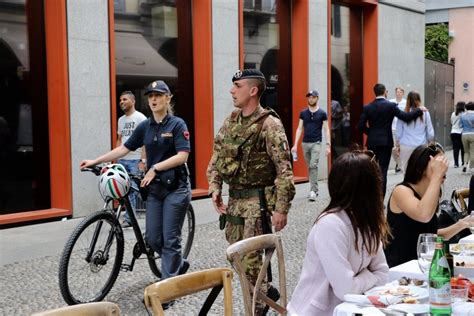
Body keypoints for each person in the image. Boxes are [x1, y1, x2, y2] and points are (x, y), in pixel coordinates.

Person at [80, 80, 191, 307]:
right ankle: (177, 263)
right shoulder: (146, 126)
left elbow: (183, 155)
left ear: (168, 99)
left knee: (170, 240)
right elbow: (124, 148)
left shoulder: (177, 124)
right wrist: (96, 160)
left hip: (176, 188)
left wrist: (155, 167)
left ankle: (166, 292)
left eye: (159, 95)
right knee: (152, 238)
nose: (153, 99)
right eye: (150, 95)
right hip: (155, 189)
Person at [207, 69, 295, 315]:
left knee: (254, 269)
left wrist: (281, 208)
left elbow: (284, 171)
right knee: (238, 262)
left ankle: (257, 307)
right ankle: (267, 294)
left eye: (237, 85)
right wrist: (215, 188)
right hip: (234, 207)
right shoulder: (231, 121)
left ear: (253, 90)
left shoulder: (270, 125)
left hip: (258, 208)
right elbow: (216, 158)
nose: (231, 90)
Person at [287, 151, 389, 315]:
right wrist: (368, 275)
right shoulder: (331, 225)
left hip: (354, 308)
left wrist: (361, 278)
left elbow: (383, 272)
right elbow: (345, 289)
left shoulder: (367, 220)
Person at [384, 144, 474, 267]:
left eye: (444, 164)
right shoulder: (401, 191)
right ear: (420, 167)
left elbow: (432, 235)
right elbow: (423, 215)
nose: (443, 168)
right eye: (437, 164)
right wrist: (436, 176)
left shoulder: (432, 191)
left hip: (424, 263)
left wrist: (463, 224)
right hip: (401, 267)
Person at [358, 83, 424, 197]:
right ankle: (380, 199)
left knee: (372, 170)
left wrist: (372, 133)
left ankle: (370, 197)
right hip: (386, 142)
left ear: (375, 92)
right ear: (385, 92)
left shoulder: (367, 107)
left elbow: (360, 126)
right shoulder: (391, 106)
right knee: (383, 171)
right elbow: (405, 117)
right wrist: (419, 111)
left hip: (372, 143)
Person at [291, 90, 330, 201]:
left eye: (313, 97)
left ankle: (313, 190)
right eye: (309, 97)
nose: (310, 99)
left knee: (313, 165)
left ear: (317, 98)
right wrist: (295, 145)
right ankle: (315, 189)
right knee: (310, 167)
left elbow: (326, 129)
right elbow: (299, 128)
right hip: (305, 143)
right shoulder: (303, 113)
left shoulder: (322, 113)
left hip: (316, 143)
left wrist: (328, 145)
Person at [116, 90, 147, 228]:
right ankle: (130, 217)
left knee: (136, 190)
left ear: (133, 101)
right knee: (125, 190)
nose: (122, 102)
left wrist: (143, 160)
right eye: (120, 100)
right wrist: (117, 158)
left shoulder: (141, 118)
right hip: (123, 160)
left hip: (136, 160)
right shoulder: (120, 120)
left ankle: (132, 217)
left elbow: (146, 141)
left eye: (125, 99)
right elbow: (119, 139)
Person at [395, 91, 434, 172]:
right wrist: (429, 141)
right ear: (419, 100)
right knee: (419, 170)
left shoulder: (403, 113)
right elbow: (430, 132)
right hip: (420, 145)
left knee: (406, 170)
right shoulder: (425, 112)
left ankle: (407, 184)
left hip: (405, 145)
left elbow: (398, 132)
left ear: (408, 100)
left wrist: (397, 144)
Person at [389, 87, 406, 173]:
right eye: (397, 92)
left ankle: (400, 165)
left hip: (402, 128)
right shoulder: (391, 102)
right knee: (394, 149)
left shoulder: (405, 102)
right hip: (392, 128)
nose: (398, 93)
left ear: (403, 93)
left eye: (400, 92)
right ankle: (398, 163)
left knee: (401, 147)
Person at [451, 101, 465, 168]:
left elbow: (451, 122)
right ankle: (463, 162)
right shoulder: (464, 114)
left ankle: (456, 163)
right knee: (463, 148)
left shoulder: (453, 114)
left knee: (455, 149)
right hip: (461, 132)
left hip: (453, 132)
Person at [460, 101, 474, 173]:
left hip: (464, 134)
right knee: (472, 151)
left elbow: (460, 125)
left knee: (466, 151)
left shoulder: (462, 115)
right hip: (473, 134)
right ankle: (471, 167)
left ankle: (465, 165)